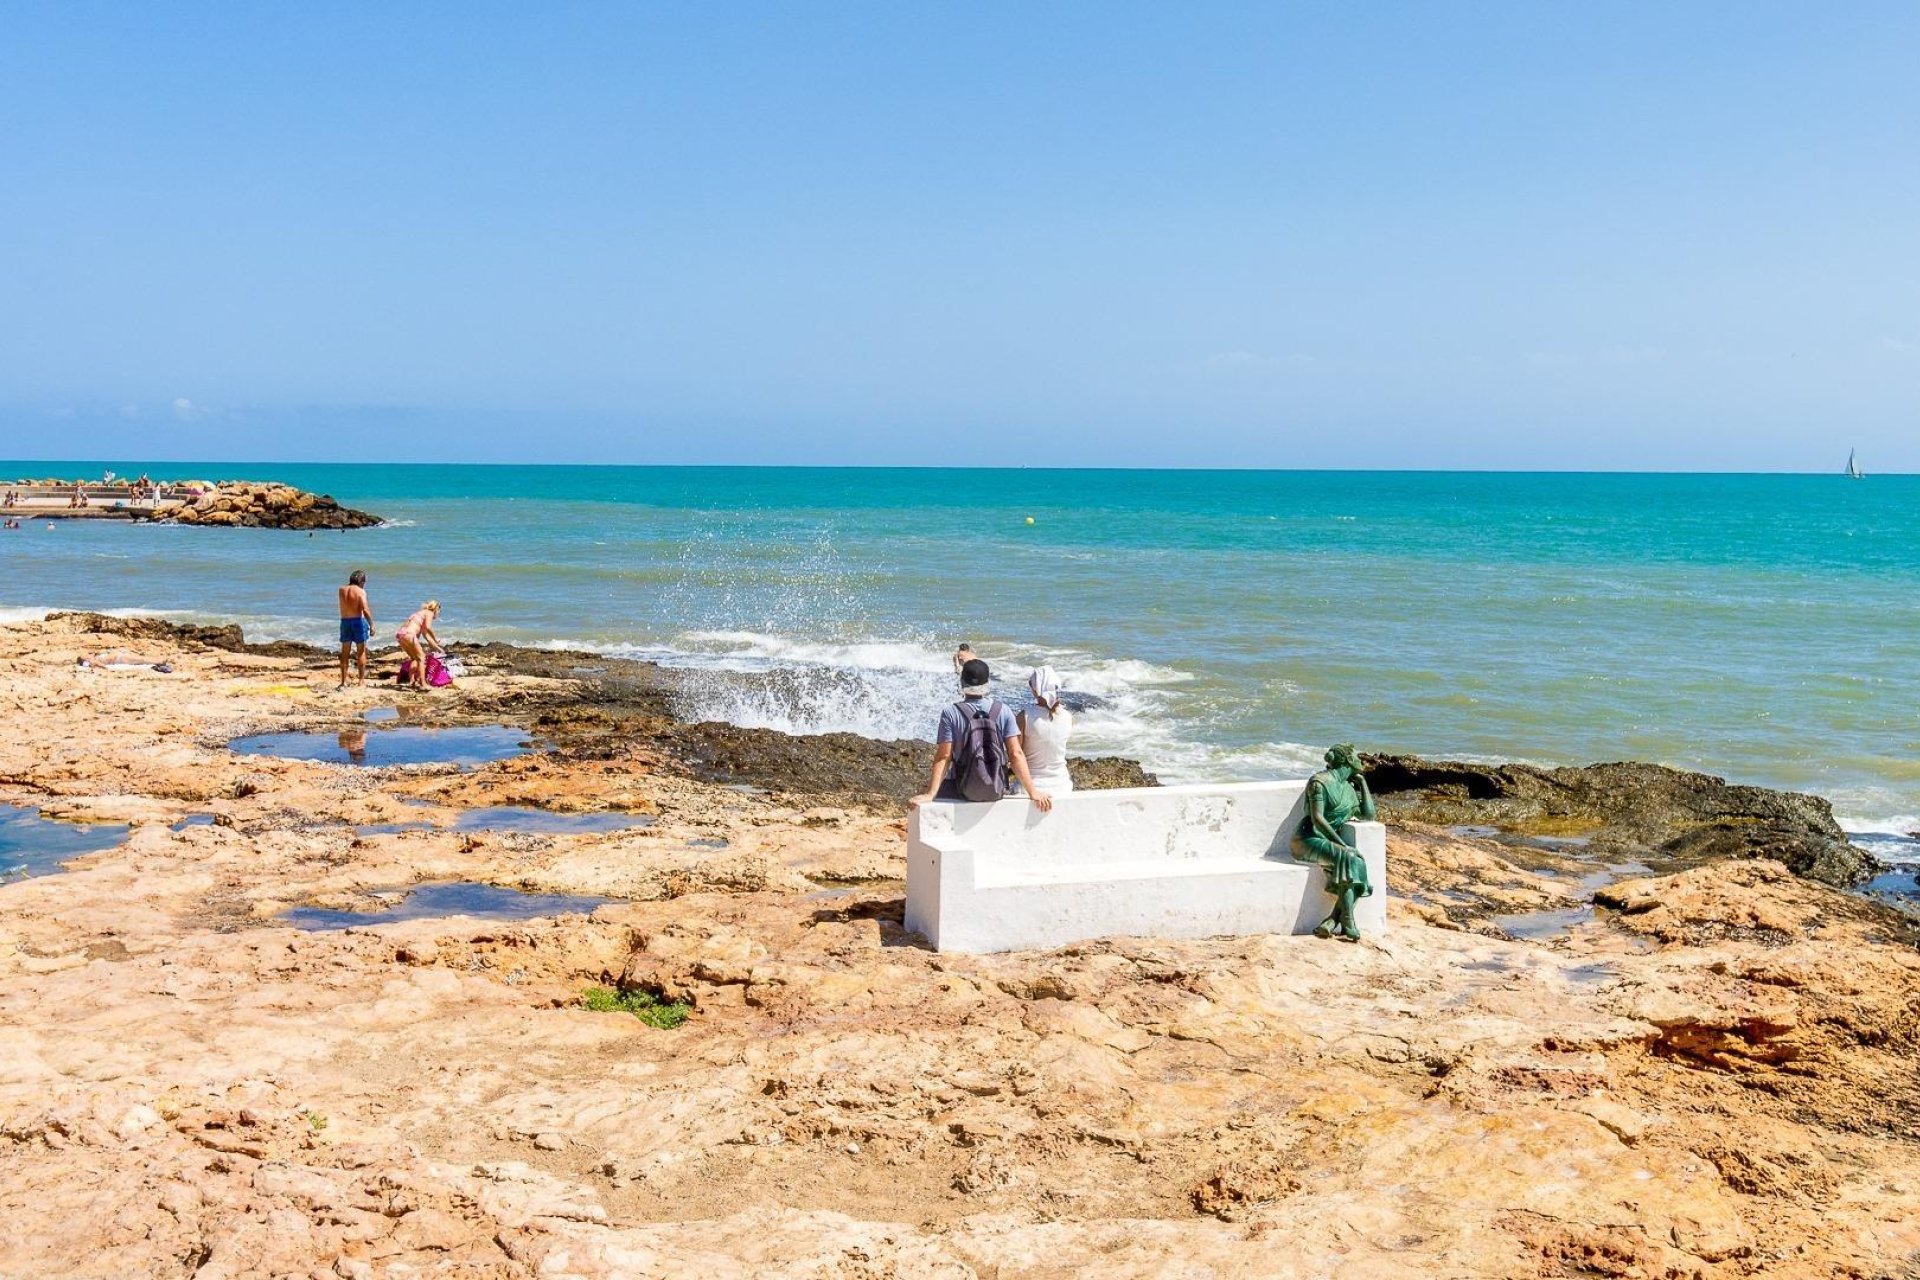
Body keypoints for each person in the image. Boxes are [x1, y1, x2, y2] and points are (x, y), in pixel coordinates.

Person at [910, 658, 1052, 810]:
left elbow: (944, 756)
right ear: (987, 682)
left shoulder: (950, 713)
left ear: (962, 681)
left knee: (923, 789)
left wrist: (931, 793)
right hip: (996, 789)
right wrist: (1033, 792)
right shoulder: (1003, 710)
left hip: (963, 788)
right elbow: (1015, 754)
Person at [1292, 744, 1376, 942]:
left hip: (1329, 842)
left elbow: (1369, 815)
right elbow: (1317, 819)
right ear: (1346, 760)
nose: (1360, 760)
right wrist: (1341, 844)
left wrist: (1362, 783)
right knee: (1348, 856)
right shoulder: (1319, 782)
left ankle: (1332, 920)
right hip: (1308, 838)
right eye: (1356, 757)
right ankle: (1347, 920)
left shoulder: (1348, 789)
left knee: (1359, 863)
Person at [1016, 666, 1074, 796]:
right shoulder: (1068, 717)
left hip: (1030, 788)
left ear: (1035, 689)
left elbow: (1016, 755)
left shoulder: (1024, 717)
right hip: (1062, 785)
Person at [337, 570, 374, 689]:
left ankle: (343, 682)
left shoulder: (341, 590)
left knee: (344, 653)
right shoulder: (360, 591)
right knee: (361, 652)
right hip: (358, 621)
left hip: (345, 622)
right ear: (361, 581)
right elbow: (365, 609)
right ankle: (361, 681)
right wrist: (372, 624)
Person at [394, 600, 443, 691]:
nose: (437, 615)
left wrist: (438, 649)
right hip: (409, 635)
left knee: (415, 658)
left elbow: (427, 637)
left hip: (401, 635)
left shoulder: (419, 614)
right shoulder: (429, 612)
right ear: (436, 609)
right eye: (438, 612)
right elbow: (428, 628)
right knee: (421, 658)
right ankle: (423, 684)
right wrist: (436, 638)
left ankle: (411, 681)